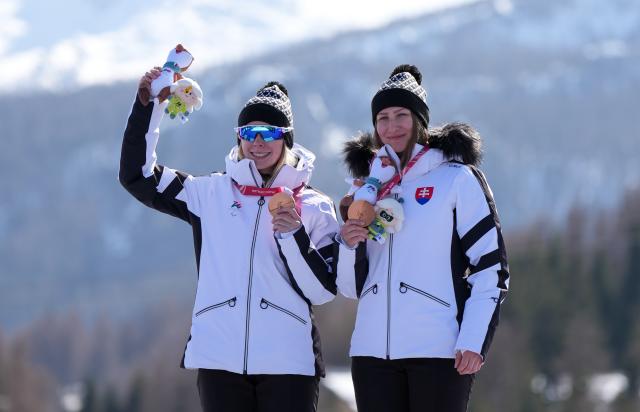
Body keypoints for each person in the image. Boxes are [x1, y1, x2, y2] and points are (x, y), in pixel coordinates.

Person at [119, 68, 339, 412]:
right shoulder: (209, 194)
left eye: (269, 132)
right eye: (248, 132)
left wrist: (294, 234)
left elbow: (323, 291)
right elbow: (138, 175)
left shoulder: (314, 206)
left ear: (287, 139)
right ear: (238, 138)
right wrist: (149, 106)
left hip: (288, 363)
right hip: (219, 360)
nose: (258, 142)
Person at [336, 64, 510, 412]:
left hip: (438, 350)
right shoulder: (365, 191)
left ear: (420, 121)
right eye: (382, 117)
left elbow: (491, 268)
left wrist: (474, 339)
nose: (391, 126)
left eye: (402, 115)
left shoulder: (457, 179)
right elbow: (350, 287)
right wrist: (348, 244)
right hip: (371, 355)